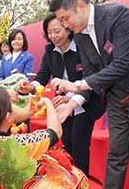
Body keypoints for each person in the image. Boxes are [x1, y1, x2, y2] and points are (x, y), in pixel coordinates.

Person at [48, 0, 129, 189]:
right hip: (115, 94)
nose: (65, 25)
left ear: (80, 6)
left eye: (65, 18)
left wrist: (76, 86)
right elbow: (90, 73)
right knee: (116, 151)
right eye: (61, 21)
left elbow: (123, 64)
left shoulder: (118, 15)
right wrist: (71, 105)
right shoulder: (80, 35)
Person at [19, 12, 105, 175]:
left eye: (57, 31)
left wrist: (71, 99)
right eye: (49, 32)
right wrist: (31, 87)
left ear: (67, 29)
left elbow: (89, 79)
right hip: (63, 104)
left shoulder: (82, 47)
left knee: (79, 144)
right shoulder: (50, 50)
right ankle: (68, 180)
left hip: (85, 102)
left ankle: (81, 181)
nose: (53, 36)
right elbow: (42, 76)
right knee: (66, 143)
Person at [0, 86, 62, 160]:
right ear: (8, 117)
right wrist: (48, 102)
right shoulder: (18, 143)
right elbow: (55, 132)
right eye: (12, 104)